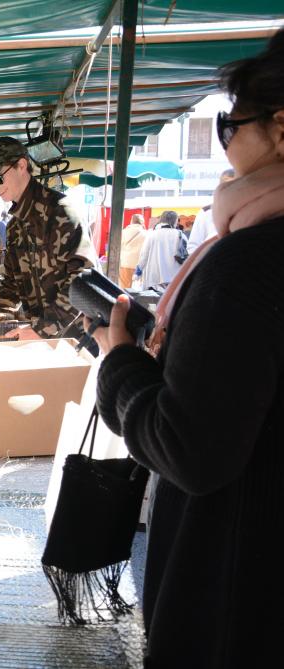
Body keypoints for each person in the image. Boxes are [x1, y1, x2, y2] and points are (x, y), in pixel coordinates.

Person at [90, 28, 284, 667]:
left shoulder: (250, 264)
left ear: (280, 129)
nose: (227, 144)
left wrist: (120, 362)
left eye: (232, 125)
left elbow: (188, 448)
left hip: (239, 601)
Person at [0, 136, 96, 337]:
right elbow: (11, 283)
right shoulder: (15, 226)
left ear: (21, 165)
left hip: (74, 339)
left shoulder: (61, 212)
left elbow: (82, 280)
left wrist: (42, 329)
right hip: (38, 339)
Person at [187, 169, 235, 254]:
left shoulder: (246, 211)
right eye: (226, 185)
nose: (231, 189)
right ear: (220, 187)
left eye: (235, 185)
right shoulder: (206, 213)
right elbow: (193, 246)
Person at [134, 210, 185, 289]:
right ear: (175, 221)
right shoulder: (180, 235)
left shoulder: (152, 235)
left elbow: (144, 256)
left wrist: (138, 272)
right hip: (174, 279)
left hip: (154, 279)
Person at [118, 214, 147, 288]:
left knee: (124, 288)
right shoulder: (146, 234)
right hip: (139, 265)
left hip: (124, 263)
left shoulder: (123, 232)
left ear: (131, 221)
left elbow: (118, 247)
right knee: (137, 290)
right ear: (142, 222)